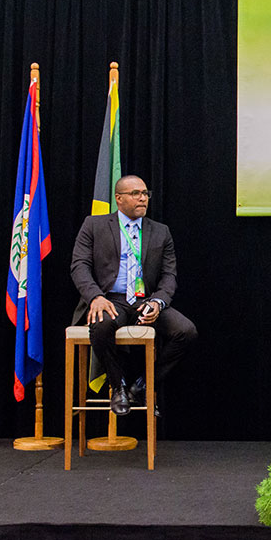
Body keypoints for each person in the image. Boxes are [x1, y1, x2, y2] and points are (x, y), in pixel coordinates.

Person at [70, 174, 197, 416]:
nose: (143, 198)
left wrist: (158, 302)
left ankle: (141, 385)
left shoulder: (161, 232)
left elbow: (169, 275)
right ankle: (118, 387)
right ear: (119, 199)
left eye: (145, 193)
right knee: (101, 325)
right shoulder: (94, 225)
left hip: (145, 300)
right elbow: (79, 266)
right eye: (135, 193)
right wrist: (95, 297)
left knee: (186, 331)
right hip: (110, 299)